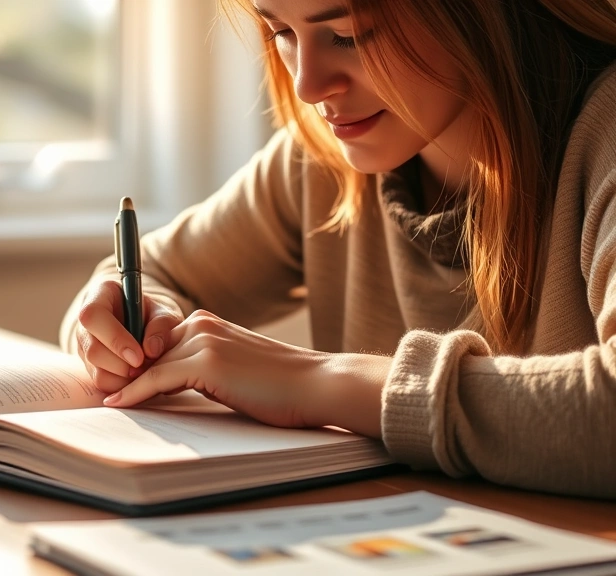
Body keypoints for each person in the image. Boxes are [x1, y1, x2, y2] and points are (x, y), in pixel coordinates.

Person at [60, 0, 616, 499]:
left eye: (347, 35)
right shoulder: (322, 162)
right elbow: (144, 271)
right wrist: (123, 328)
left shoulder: (605, 135)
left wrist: (317, 383)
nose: (307, 85)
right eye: (279, 30)